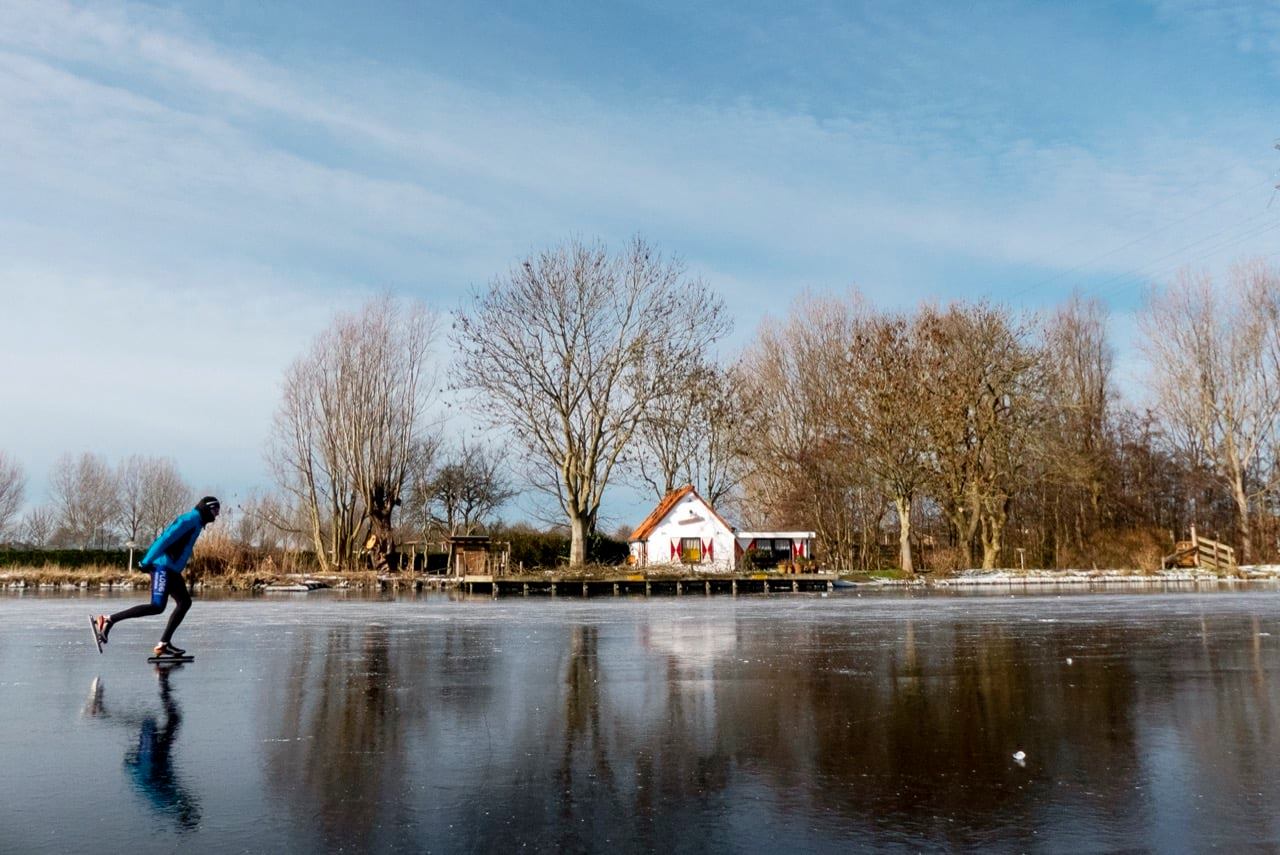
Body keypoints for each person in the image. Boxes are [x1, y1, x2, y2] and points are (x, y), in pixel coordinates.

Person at [91, 496, 220, 658]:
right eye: (215, 510)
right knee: (157, 606)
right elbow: (165, 538)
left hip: (171, 569)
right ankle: (108, 620)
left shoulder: (197, 522)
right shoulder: (190, 520)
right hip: (162, 567)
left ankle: (164, 644)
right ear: (207, 509)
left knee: (184, 602)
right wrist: (146, 561)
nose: (217, 515)